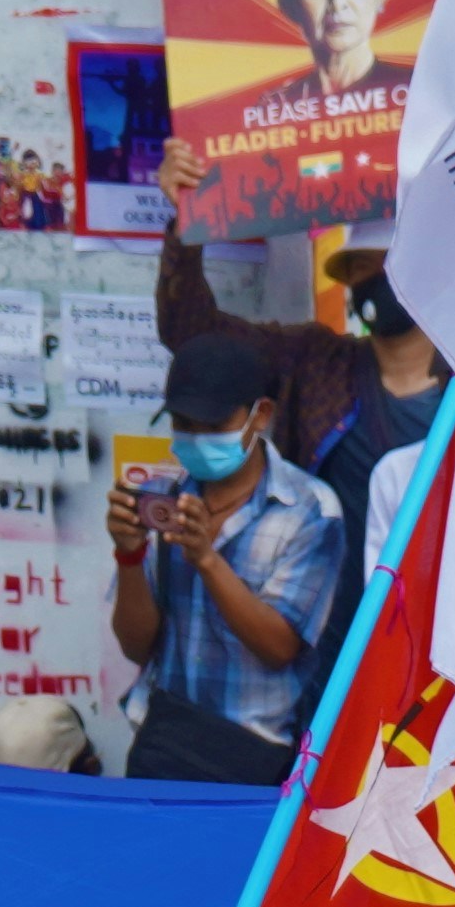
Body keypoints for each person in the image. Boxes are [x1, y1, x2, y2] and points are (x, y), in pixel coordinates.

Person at [111, 328, 342, 767]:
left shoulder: (308, 510)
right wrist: (128, 554)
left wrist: (206, 560)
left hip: (252, 754)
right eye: (183, 426)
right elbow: (136, 646)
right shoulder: (162, 496)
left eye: (214, 426)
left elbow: (280, 646)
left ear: (260, 416)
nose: (196, 440)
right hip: (163, 742)